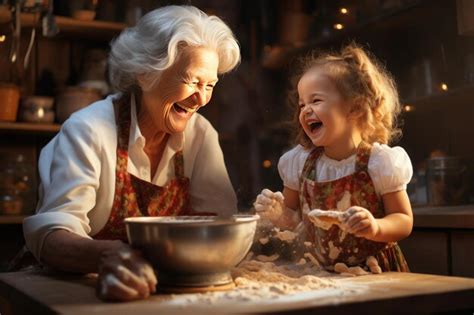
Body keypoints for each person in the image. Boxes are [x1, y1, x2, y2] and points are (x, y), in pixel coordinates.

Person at [22, 5, 241, 301]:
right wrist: (105, 256)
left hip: (161, 294)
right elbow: (51, 236)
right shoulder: (89, 130)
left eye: (210, 85)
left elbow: (221, 226)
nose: (200, 99)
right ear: (144, 72)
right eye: (191, 81)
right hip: (79, 292)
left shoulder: (201, 136)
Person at [254, 43, 413, 272]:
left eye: (316, 101)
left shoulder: (379, 163)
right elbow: (295, 222)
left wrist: (375, 227)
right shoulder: (299, 164)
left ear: (355, 107)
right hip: (322, 272)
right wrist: (278, 214)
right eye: (302, 104)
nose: (305, 110)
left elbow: (403, 220)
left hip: (376, 272)